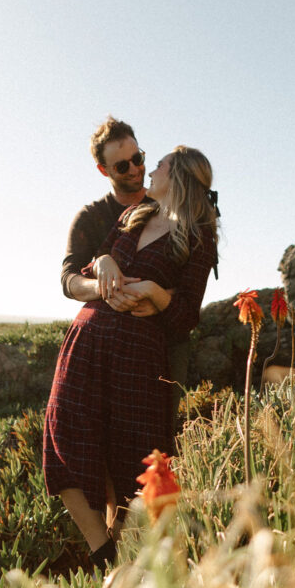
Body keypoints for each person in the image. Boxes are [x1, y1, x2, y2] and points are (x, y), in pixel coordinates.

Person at [44, 145, 219, 568]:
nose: (147, 171)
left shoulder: (198, 236)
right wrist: (103, 260)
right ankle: (103, 554)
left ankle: (121, 567)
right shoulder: (132, 216)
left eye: (155, 165)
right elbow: (83, 274)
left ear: (176, 177)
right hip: (86, 341)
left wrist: (158, 294)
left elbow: (185, 316)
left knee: (129, 461)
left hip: (138, 356)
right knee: (62, 436)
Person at [61, 116, 192, 453]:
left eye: (139, 158)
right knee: (93, 445)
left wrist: (159, 294)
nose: (135, 169)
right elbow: (69, 279)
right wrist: (106, 286)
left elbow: (190, 284)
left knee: (154, 449)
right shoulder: (91, 217)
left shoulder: (170, 207)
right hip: (102, 346)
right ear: (104, 171)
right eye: (122, 166)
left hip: (157, 345)